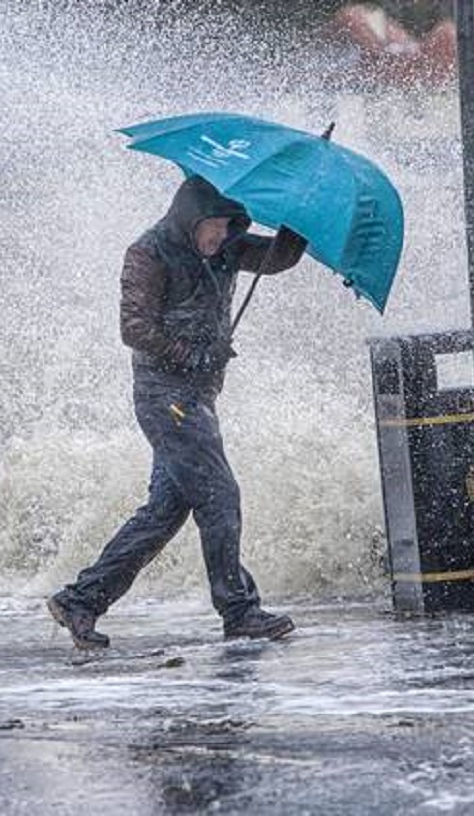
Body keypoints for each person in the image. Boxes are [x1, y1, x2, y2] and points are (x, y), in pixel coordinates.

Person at [47, 175, 307, 649]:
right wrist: (191, 354)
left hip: (198, 398)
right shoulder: (148, 252)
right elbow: (134, 328)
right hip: (164, 397)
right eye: (214, 227)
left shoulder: (228, 247)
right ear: (192, 218)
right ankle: (240, 610)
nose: (221, 237)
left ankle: (81, 600)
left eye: (231, 227)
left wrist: (300, 216)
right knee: (220, 495)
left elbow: (277, 259)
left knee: (164, 512)